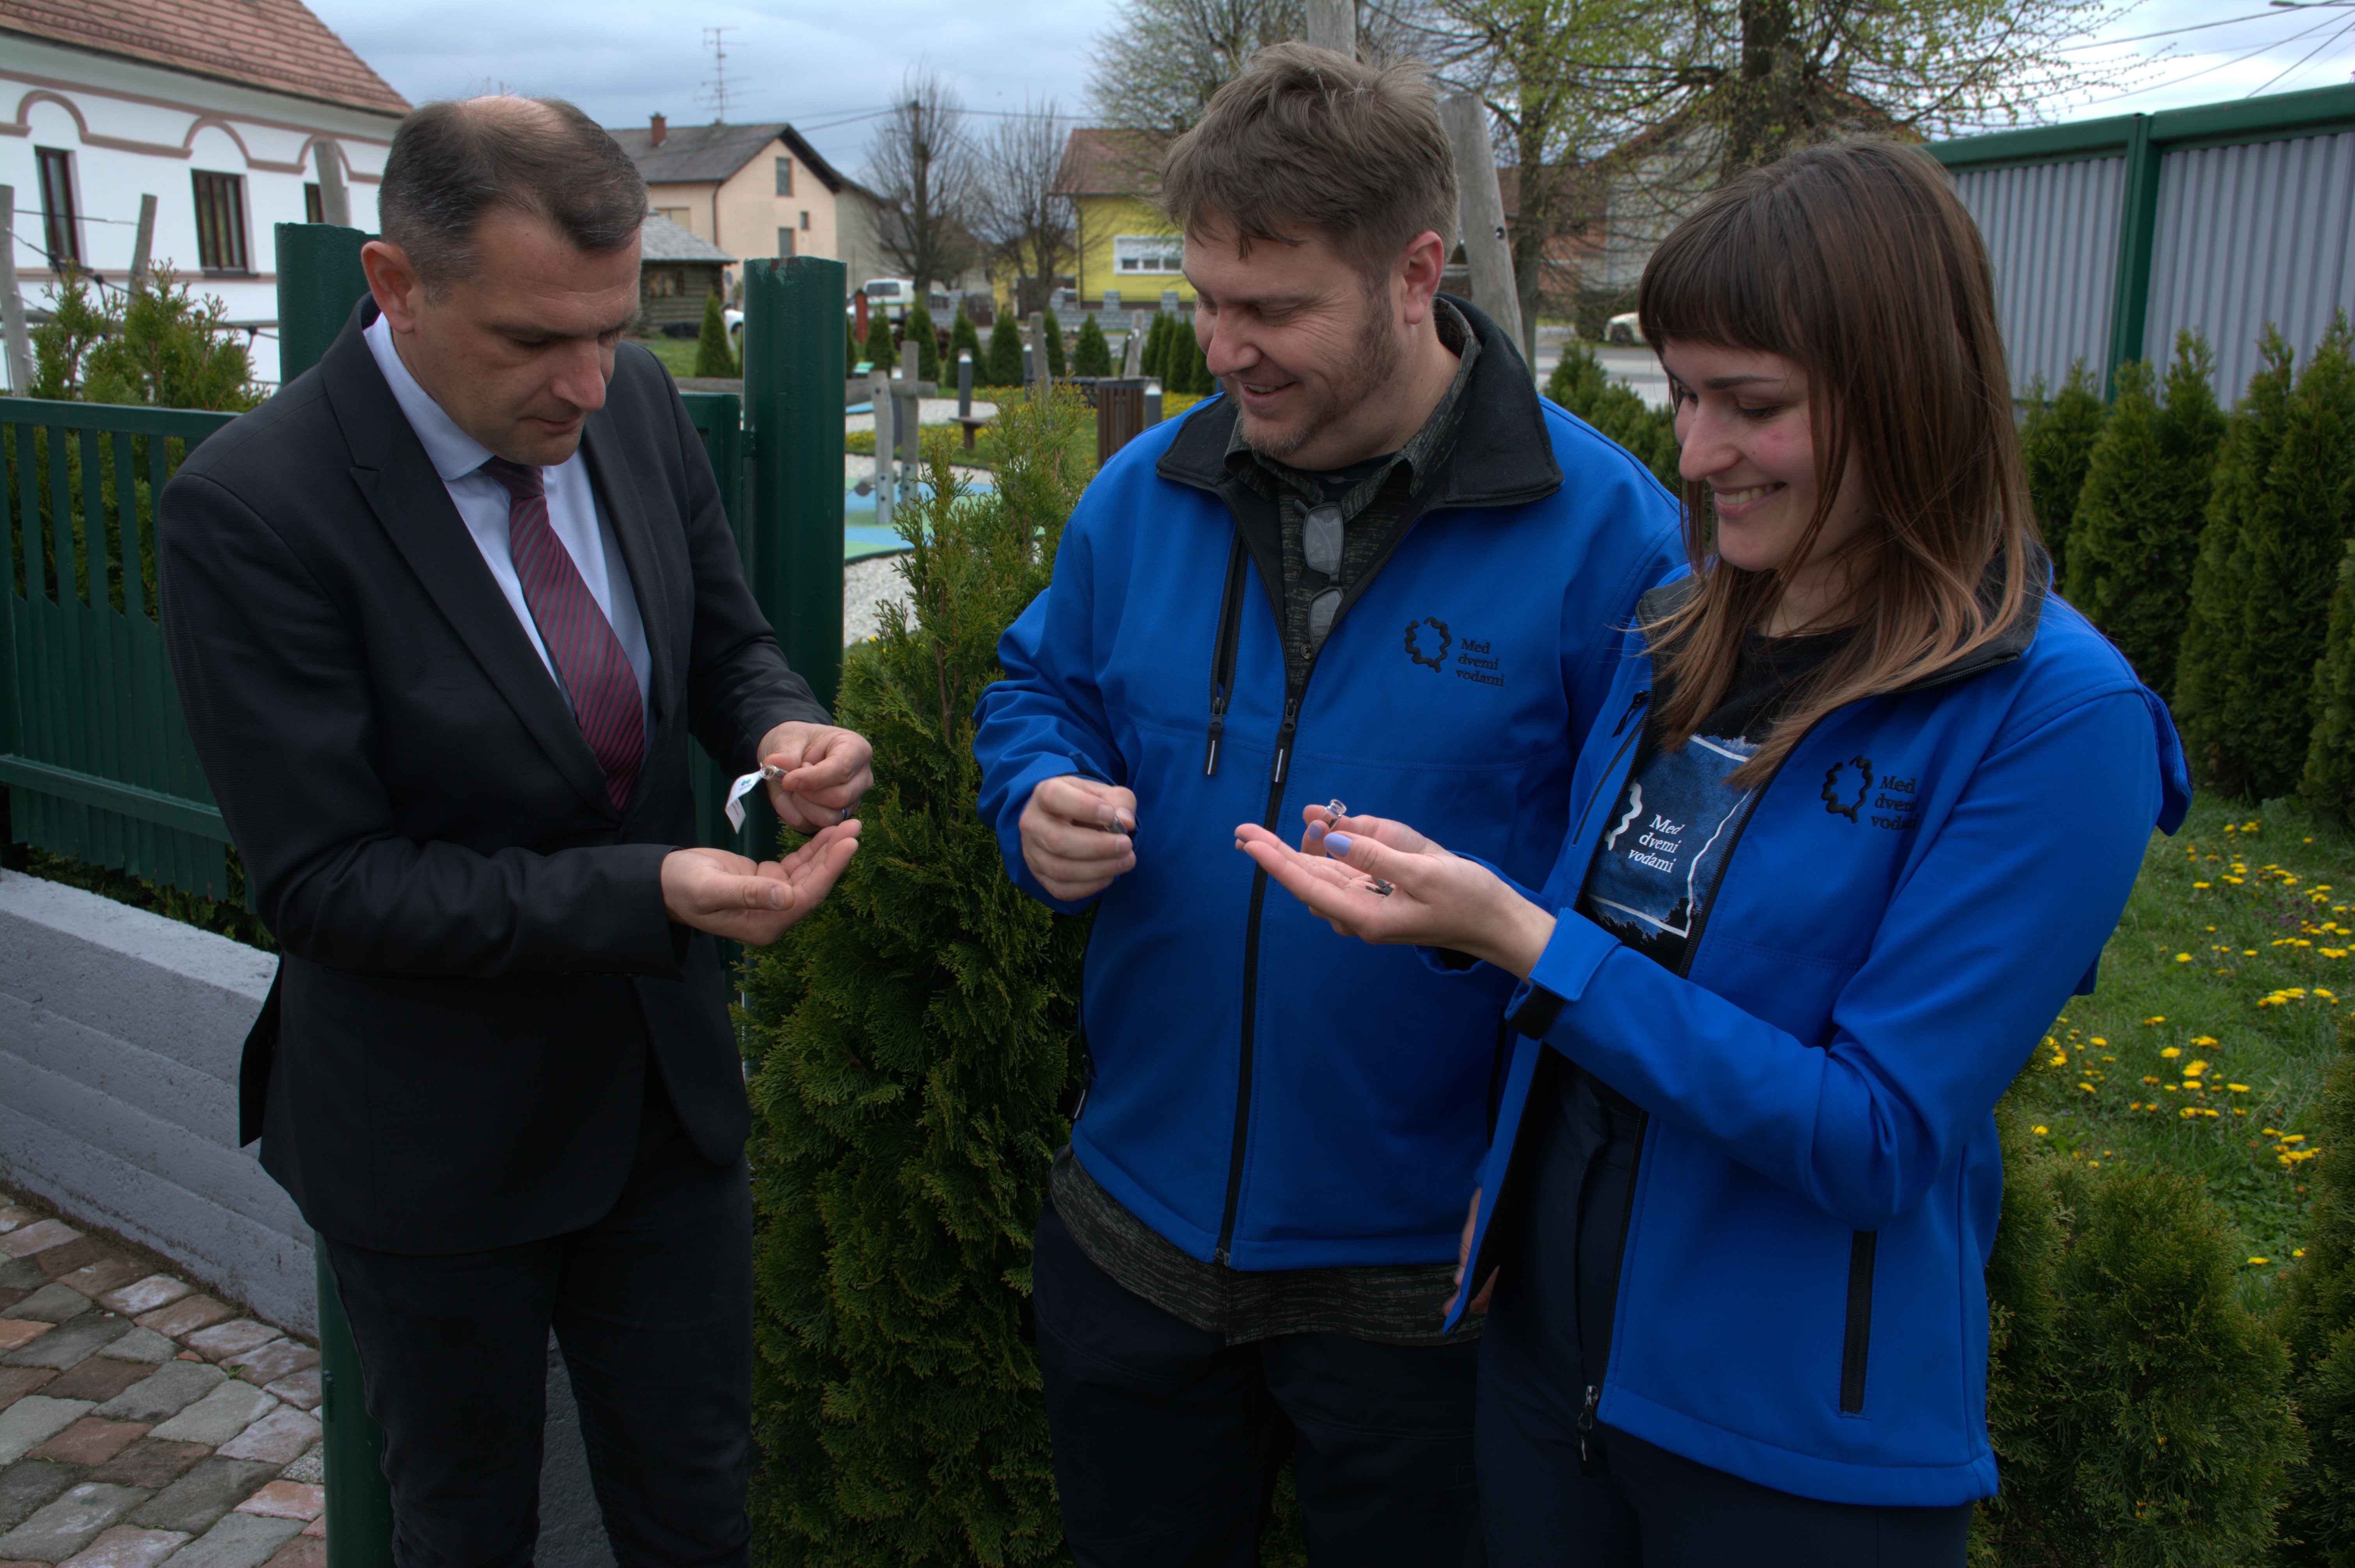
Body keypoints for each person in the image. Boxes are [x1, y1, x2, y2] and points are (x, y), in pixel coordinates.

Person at [1238, 138, 2191, 1567]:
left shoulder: (2057, 720)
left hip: (1791, 1452)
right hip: (1547, 1372)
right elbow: (1620, 935)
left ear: (1911, 394)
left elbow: (1871, 1137)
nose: (1693, 454)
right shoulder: (1695, 614)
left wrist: (1528, 943)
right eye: (1680, 395)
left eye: (1752, 406)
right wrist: (1454, 916)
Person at [971, 44, 1681, 1568]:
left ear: (1417, 271)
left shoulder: (1614, 541)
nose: (1225, 350)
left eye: (1274, 310)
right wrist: (1033, 792)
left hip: (1424, 1290)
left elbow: (1664, 905)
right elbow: (1038, 688)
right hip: (1133, 1246)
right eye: (1209, 303)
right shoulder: (1145, 491)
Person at [158, 97, 869, 1566]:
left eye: (613, 331)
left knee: (699, 1500)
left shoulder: (640, 409)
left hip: (662, 1106)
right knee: (465, 1522)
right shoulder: (252, 509)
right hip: (431, 1140)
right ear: (397, 286)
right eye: (537, 341)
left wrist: (781, 730)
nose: (590, 385)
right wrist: (652, 890)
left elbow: (729, 642)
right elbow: (329, 886)